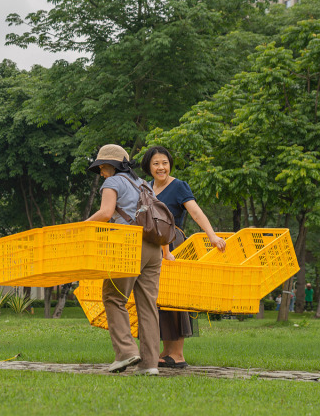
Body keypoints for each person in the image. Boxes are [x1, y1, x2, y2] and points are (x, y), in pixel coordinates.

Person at [87, 144, 172, 376]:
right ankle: (149, 364)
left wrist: (82, 227)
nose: (101, 173)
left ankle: (126, 352)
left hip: (128, 245)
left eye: (102, 168)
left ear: (109, 166)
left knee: (113, 296)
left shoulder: (112, 182)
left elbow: (106, 213)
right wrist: (166, 251)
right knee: (147, 306)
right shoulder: (144, 184)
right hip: (154, 248)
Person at [141, 146, 226, 369]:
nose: (161, 167)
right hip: (152, 245)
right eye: (156, 163)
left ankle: (177, 353)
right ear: (149, 167)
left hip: (173, 243)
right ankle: (167, 351)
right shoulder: (145, 188)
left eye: (165, 163)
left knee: (175, 298)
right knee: (160, 298)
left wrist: (213, 237)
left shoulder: (178, 186)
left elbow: (196, 212)